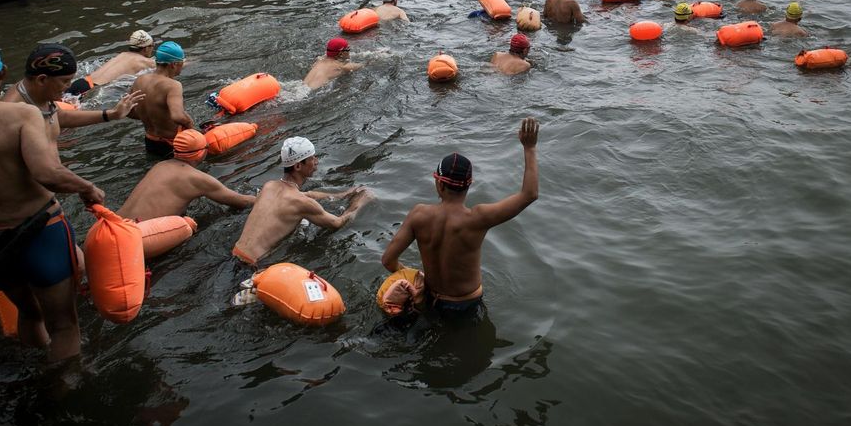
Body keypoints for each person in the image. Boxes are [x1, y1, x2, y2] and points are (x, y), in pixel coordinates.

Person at [0, 37, 104, 361]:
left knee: (30, 314)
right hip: (41, 233)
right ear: (2, 73)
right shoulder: (22, 115)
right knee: (65, 326)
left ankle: (34, 372)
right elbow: (47, 173)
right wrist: (87, 187)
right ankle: (61, 391)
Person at [381, 118, 539, 320]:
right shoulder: (478, 218)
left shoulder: (418, 215)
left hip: (429, 299)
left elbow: (387, 260)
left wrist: (412, 276)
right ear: (469, 185)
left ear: (439, 184)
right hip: (466, 305)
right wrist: (530, 147)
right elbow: (530, 194)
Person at [231, 137, 373, 268]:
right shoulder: (301, 203)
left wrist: (343, 194)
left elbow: (306, 195)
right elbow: (337, 223)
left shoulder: (269, 186)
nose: (316, 161)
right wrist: (360, 201)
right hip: (253, 265)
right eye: (312, 158)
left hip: (234, 255)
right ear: (298, 166)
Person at [1, 44, 142, 142]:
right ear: (42, 79)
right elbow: (45, 171)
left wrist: (113, 114)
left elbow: (61, 117)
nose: (68, 86)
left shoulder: (36, 91)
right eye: (65, 81)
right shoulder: (11, 115)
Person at [118, 130, 256, 221]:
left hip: (114, 223)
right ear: (202, 153)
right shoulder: (197, 179)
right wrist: (266, 197)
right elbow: (242, 202)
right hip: (138, 236)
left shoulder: (160, 166)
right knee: (188, 228)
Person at [128, 41, 193, 158]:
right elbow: (177, 116)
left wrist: (151, 116)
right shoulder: (173, 85)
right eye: (181, 63)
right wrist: (191, 127)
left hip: (150, 141)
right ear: (173, 64)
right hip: (172, 144)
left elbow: (128, 111)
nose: (182, 67)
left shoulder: (139, 80)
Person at [68, 29, 157, 96]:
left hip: (81, 82)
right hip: (91, 90)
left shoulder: (122, 55)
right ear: (146, 48)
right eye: (152, 45)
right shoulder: (146, 62)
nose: (153, 47)